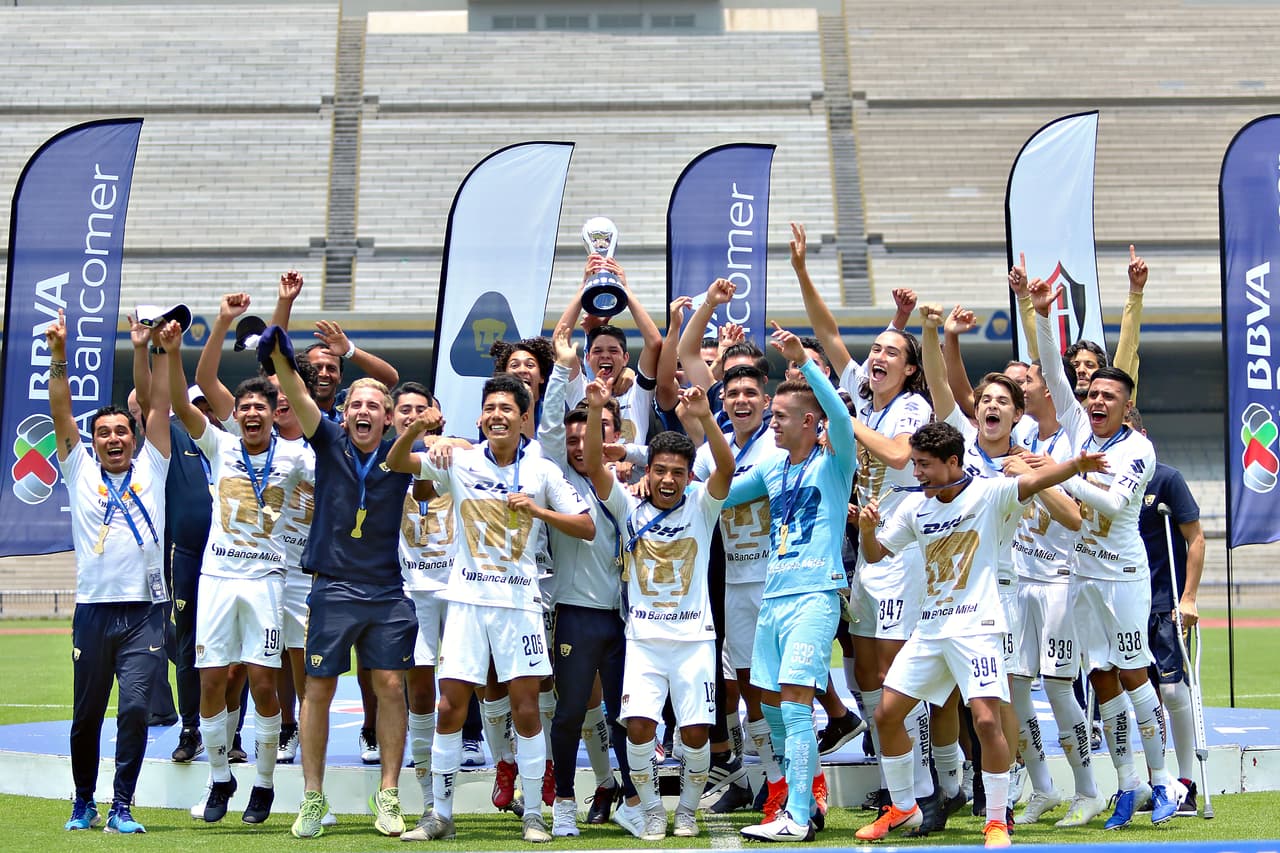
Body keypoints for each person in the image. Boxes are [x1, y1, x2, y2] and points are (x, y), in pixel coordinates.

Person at [855, 421, 1107, 848]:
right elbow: (877, 555)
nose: (916, 474)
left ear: (953, 462)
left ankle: (995, 820)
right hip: (931, 629)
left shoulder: (988, 493)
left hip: (978, 628)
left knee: (987, 720)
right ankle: (902, 806)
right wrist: (865, 528)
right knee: (886, 715)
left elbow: (1037, 479)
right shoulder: (915, 508)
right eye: (915, 464)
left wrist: (1075, 465)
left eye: (925, 466)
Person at [389, 373, 595, 844]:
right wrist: (420, 429)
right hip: (464, 602)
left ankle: (533, 816)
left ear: (524, 419)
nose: (497, 415)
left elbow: (586, 526)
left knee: (525, 708)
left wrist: (538, 512)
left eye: (507, 408)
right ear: (480, 417)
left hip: (518, 603)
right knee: (448, 707)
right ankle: (439, 814)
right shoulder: (458, 459)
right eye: (490, 408)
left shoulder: (541, 469)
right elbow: (396, 462)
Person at [1030, 276, 1181, 827]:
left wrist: (1059, 474)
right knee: (1098, 677)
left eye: (1106, 396)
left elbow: (1115, 507)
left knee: (1134, 672)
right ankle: (1128, 784)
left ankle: (1164, 784)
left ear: (1126, 404)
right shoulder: (1079, 433)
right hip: (1080, 573)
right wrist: (1040, 314)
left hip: (1121, 576)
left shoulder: (1137, 447)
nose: (1094, 400)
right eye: (1091, 394)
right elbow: (1051, 372)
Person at [261, 329, 417, 839]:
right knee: (319, 689)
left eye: (376, 405)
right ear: (344, 413)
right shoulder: (326, 440)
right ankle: (311, 797)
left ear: (389, 417)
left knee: (392, 686)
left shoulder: (400, 453)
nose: (364, 411)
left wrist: (443, 437)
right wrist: (280, 355)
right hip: (332, 588)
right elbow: (297, 391)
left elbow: (449, 449)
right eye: (356, 404)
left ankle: (388, 794)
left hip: (388, 591)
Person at [164, 320, 310, 826]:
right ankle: (220, 777)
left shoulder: (295, 456)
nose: (251, 412)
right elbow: (184, 403)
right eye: (244, 407)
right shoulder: (221, 445)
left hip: (268, 581)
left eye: (260, 407)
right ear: (236, 415)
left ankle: (265, 786)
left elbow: (335, 471)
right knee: (210, 683)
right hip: (217, 580)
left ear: (274, 414)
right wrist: (189, 341)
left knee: (264, 686)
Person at [584, 379, 734, 841]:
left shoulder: (704, 507)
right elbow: (592, 465)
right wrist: (593, 411)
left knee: (694, 735)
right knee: (640, 730)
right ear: (650, 470)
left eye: (678, 471)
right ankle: (651, 811)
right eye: (661, 469)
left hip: (694, 641)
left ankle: (686, 811)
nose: (668, 479)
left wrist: (706, 417)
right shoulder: (628, 505)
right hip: (644, 642)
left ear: (690, 474)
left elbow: (726, 469)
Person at [726, 322, 858, 842]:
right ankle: (809, 800)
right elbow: (720, 495)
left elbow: (842, 417)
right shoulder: (772, 469)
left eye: (779, 416)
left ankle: (798, 816)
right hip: (772, 598)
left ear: (808, 421)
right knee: (773, 705)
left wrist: (802, 361)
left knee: (797, 702)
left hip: (814, 596)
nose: (770, 423)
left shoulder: (834, 462)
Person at [49, 309, 172, 834]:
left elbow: (161, 405)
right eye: (104, 433)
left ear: (135, 435)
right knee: (86, 715)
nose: (115, 439)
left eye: (123, 430)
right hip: (93, 611)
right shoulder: (77, 468)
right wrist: (59, 353)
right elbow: (61, 410)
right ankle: (83, 801)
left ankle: (122, 805)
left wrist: (156, 349)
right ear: (92, 441)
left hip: (145, 612)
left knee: (136, 709)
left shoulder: (154, 464)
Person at [537, 324, 642, 837]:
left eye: (591, 437)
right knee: (570, 712)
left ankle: (630, 795)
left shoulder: (625, 486)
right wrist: (563, 369)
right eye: (573, 439)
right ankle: (560, 802)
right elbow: (551, 435)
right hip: (575, 614)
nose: (581, 447)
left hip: (624, 619)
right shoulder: (555, 477)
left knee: (627, 715)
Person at [1128, 407, 1206, 817]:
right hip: (1123, 602)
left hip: (1163, 601)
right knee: (1138, 698)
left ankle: (1187, 783)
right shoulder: (1105, 478)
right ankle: (1156, 784)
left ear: (1143, 435)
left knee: (1173, 691)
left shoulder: (1167, 479)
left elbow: (1195, 538)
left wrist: (1188, 598)